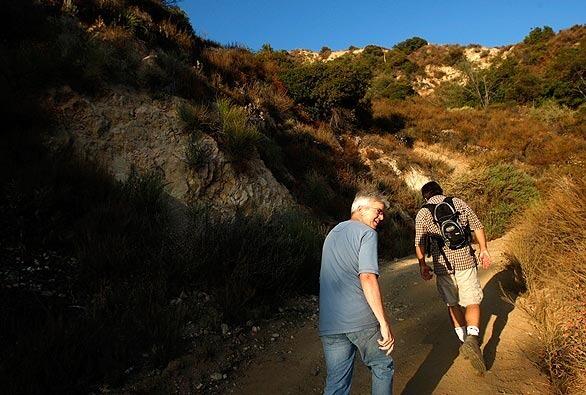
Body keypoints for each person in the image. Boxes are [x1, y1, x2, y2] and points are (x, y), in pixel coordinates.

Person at [319, 191, 395, 395]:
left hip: (330, 323)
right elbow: (368, 277)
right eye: (378, 212)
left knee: (336, 383)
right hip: (360, 320)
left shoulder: (333, 232)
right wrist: (384, 322)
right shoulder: (366, 233)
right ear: (360, 209)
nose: (381, 218)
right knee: (382, 366)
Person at [414, 181, 492, 373]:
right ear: (441, 192)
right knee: (472, 301)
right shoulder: (457, 202)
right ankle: (473, 338)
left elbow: (419, 242)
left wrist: (423, 265)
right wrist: (484, 250)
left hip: (443, 265)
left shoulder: (423, 212)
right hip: (465, 259)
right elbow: (477, 226)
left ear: (425, 196)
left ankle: (463, 339)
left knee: (452, 303)